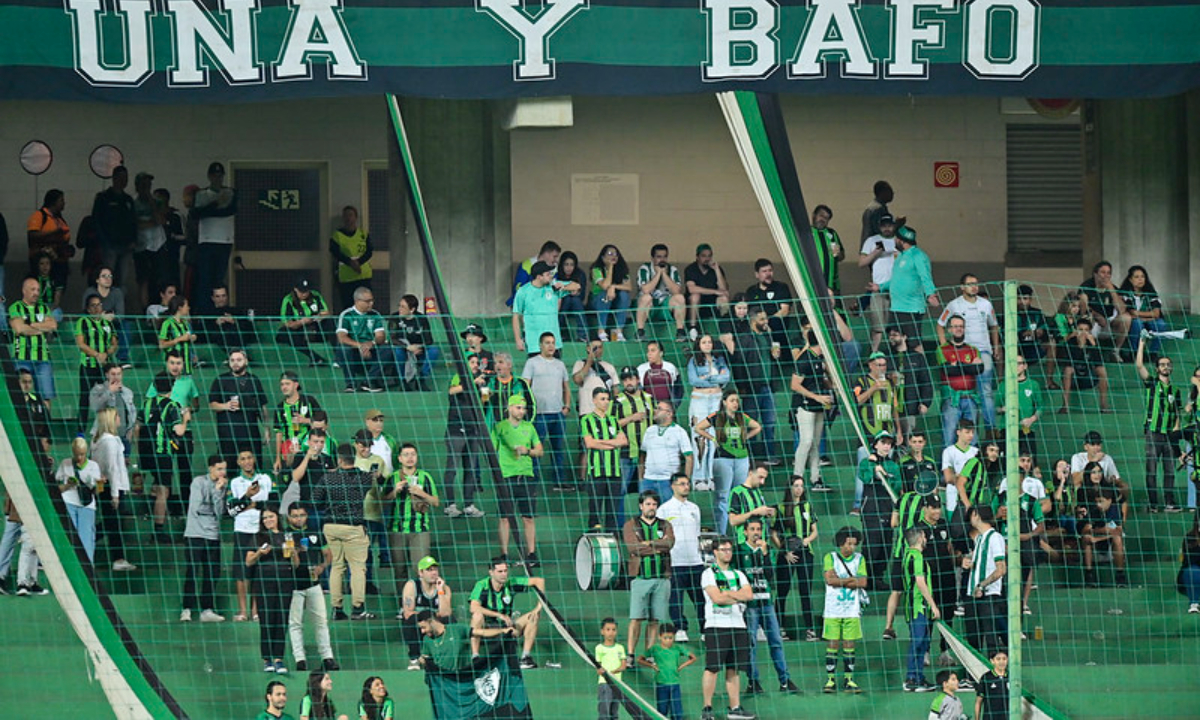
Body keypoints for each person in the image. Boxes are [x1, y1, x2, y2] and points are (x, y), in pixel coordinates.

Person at [313, 444, 380, 621]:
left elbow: (315, 499)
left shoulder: (328, 478)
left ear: (339, 459)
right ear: (354, 458)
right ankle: (358, 608)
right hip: (353, 527)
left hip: (331, 526)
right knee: (357, 568)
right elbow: (370, 483)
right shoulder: (364, 478)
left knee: (337, 566)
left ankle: (337, 608)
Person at [735, 517, 798, 696]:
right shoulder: (739, 551)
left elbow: (770, 576)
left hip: (767, 603)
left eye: (758, 529)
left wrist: (763, 555)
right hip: (750, 605)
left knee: (776, 642)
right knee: (751, 644)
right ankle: (753, 682)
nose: (756, 532)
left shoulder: (767, 550)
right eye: (752, 529)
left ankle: (785, 680)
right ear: (745, 532)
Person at [699, 536, 756, 720]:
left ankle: (735, 708)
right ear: (715, 552)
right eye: (723, 549)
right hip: (717, 625)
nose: (727, 553)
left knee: (734, 668)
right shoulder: (708, 573)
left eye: (729, 549)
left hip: (738, 625)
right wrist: (736, 595)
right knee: (712, 668)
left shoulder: (739, 574)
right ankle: (707, 709)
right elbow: (717, 598)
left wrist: (729, 594)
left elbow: (748, 595)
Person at [695, 390, 761, 534]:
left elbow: (757, 427)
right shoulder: (717, 416)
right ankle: (721, 532)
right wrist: (712, 439)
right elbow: (698, 427)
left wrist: (746, 437)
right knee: (723, 496)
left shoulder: (742, 417)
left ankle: (739, 532)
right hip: (723, 458)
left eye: (737, 401)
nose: (735, 403)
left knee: (739, 493)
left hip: (742, 458)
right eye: (732, 400)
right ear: (724, 402)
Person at [937, 274, 997, 431]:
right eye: (970, 284)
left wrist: (996, 347)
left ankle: (991, 429)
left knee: (986, 391)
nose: (974, 287)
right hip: (963, 351)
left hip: (983, 351)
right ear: (962, 287)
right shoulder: (954, 305)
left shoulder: (986, 304)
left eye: (976, 284)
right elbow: (940, 324)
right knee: (966, 392)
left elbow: (994, 326)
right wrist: (946, 347)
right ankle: (968, 429)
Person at [622, 490, 675, 661]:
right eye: (648, 504)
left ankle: (649, 655)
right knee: (636, 618)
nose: (651, 507)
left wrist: (650, 543)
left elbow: (670, 543)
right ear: (640, 506)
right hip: (640, 578)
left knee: (655, 620)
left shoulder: (665, 524)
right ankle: (630, 654)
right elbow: (633, 548)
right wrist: (658, 548)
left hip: (662, 578)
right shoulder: (631, 525)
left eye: (653, 504)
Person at [245, 505, 298, 674]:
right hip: (264, 581)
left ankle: (278, 658)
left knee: (281, 618)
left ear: (277, 518)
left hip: (284, 580)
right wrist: (260, 553)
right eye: (265, 518)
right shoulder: (258, 537)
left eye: (271, 517)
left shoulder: (287, 536)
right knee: (267, 618)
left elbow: (295, 564)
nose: (268, 520)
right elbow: (248, 561)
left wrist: (293, 552)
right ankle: (267, 658)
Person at [284, 504, 337, 672]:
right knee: (295, 624)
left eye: (301, 515)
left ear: (307, 516)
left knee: (321, 621)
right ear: (288, 517)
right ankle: (300, 659)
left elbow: (329, 554)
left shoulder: (316, 533)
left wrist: (322, 567)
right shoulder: (285, 534)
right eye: (294, 515)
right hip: (293, 586)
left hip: (314, 584)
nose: (298, 519)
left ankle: (327, 658)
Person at [491, 395, 543, 566]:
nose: (522, 411)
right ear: (510, 408)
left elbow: (540, 451)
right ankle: (504, 554)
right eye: (519, 408)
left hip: (526, 476)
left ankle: (532, 553)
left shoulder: (529, 427)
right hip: (506, 477)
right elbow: (491, 451)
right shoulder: (499, 428)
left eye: (524, 408)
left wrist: (527, 451)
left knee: (528, 517)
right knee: (505, 517)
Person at [725, 306, 781, 462]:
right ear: (752, 320)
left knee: (769, 423)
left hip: (768, 385)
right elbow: (738, 363)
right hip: (752, 387)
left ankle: (769, 455)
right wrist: (742, 386)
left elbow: (771, 359)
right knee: (750, 422)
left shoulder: (767, 336)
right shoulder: (744, 338)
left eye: (766, 318)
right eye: (762, 319)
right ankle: (748, 455)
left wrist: (776, 356)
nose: (766, 322)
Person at [468, 556, 544, 668]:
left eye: (505, 571)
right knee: (477, 616)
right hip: (488, 629)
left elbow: (539, 581)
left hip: (508, 626)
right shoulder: (482, 585)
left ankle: (525, 657)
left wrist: (538, 607)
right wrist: (499, 615)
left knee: (533, 617)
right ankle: (475, 656)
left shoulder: (511, 582)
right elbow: (473, 607)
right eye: (500, 571)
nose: (504, 574)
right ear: (491, 572)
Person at [1136, 336, 1183, 512]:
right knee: (1152, 470)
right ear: (1157, 369)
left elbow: (1178, 412)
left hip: (1170, 434)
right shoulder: (1152, 384)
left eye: (1168, 364)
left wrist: (1177, 430)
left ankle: (1170, 502)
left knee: (1170, 470)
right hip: (1153, 432)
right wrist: (1141, 343)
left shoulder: (1176, 390)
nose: (1165, 367)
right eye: (1162, 364)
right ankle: (1154, 504)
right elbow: (1140, 366)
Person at [142, 373, 190, 542]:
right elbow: (179, 431)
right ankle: (158, 530)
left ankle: (150, 510)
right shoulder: (172, 406)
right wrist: (185, 418)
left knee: (156, 484)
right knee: (164, 490)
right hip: (163, 453)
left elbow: (138, 426)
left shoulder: (147, 403)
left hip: (147, 451)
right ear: (173, 386)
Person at [384, 442, 439, 587]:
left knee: (420, 570)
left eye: (413, 454)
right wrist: (394, 491)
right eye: (406, 455)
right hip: (397, 529)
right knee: (399, 570)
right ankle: (403, 606)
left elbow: (436, 502)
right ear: (399, 459)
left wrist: (421, 493)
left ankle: (421, 603)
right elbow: (382, 501)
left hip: (419, 530)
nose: (410, 458)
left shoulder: (425, 477)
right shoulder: (393, 478)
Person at [181, 455, 229, 623]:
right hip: (194, 533)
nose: (222, 472)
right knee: (193, 571)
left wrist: (217, 491)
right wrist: (214, 493)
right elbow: (196, 507)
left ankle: (206, 610)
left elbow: (219, 511)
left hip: (212, 534)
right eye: (219, 469)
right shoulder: (198, 482)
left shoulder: (221, 486)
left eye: (224, 469)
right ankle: (186, 609)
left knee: (212, 573)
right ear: (210, 468)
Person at [771, 475, 819, 642]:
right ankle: (779, 628)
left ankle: (810, 629)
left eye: (801, 486)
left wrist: (806, 541)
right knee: (782, 591)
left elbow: (815, 531)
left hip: (806, 553)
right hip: (787, 554)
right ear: (790, 488)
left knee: (805, 591)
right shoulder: (781, 508)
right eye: (796, 485)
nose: (799, 489)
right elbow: (774, 533)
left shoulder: (807, 506)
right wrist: (784, 551)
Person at [523, 332, 572, 491]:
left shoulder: (560, 364)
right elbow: (525, 386)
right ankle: (533, 480)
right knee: (537, 448)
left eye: (553, 342)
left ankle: (559, 481)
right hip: (539, 414)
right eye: (547, 343)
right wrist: (528, 409)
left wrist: (567, 406)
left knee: (558, 448)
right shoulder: (532, 363)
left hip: (557, 413)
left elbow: (566, 387)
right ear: (540, 345)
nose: (551, 346)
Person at [229, 449, 274, 622]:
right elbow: (231, 510)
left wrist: (249, 504)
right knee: (241, 573)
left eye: (249, 458)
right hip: (241, 530)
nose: (247, 461)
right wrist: (248, 497)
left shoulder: (266, 479)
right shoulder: (234, 483)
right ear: (238, 462)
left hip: (260, 531)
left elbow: (272, 503)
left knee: (258, 572)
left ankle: (255, 611)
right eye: (243, 459)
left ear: (254, 460)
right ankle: (243, 611)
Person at [822, 526, 867, 694]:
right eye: (849, 543)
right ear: (841, 543)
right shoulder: (830, 557)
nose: (852, 547)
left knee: (850, 644)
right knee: (832, 644)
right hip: (833, 610)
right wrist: (851, 579)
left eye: (854, 544)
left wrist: (840, 579)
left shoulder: (859, 559)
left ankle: (849, 680)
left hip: (851, 610)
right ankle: (830, 680)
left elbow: (863, 582)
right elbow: (829, 580)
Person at [659, 474, 704, 643]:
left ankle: (704, 629)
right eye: (682, 484)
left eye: (688, 484)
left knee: (700, 598)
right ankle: (680, 628)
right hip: (675, 561)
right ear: (673, 486)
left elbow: (697, 533)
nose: (686, 487)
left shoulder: (694, 508)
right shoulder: (664, 509)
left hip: (695, 561)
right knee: (676, 599)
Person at [880, 225, 939, 353]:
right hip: (896, 307)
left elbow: (925, 276)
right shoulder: (900, 256)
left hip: (911, 308)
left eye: (896, 238)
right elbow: (896, 280)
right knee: (895, 341)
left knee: (914, 343)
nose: (895, 240)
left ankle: (922, 371)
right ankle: (900, 370)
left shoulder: (918, 256)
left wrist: (930, 294)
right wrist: (879, 287)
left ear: (901, 241)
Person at [443, 354, 488, 519]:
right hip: (456, 430)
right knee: (452, 469)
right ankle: (450, 505)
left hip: (472, 430)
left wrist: (484, 390)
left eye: (477, 362)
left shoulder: (479, 381)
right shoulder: (459, 377)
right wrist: (471, 383)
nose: (475, 365)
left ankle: (469, 505)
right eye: (472, 362)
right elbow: (452, 391)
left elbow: (484, 401)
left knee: (470, 469)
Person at [208, 348, 269, 466]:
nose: (235, 363)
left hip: (250, 434)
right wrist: (226, 406)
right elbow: (212, 405)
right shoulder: (220, 380)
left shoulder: (254, 380)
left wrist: (266, 429)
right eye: (232, 360)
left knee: (253, 470)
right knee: (228, 469)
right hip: (228, 435)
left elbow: (262, 406)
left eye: (239, 360)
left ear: (246, 361)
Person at [192, 162, 238, 315]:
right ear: (209, 176)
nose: (217, 178)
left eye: (220, 175)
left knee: (219, 280)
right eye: (214, 175)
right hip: (206, 240)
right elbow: (196, 214)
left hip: (224, 240)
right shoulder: (201, 194)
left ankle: (220, 311)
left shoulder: (230, 192)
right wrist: (216, 205)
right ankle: (205, 313)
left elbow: (230, 210)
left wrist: (210, 208)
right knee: (204, 280)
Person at [91, 409, 134, 572]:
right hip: (111, 486)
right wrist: (116, 493)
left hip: (104, 485)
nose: (119, 418)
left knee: (112, 522)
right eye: (116, 416)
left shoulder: (97, 440)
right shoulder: (110, 441)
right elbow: (112, 469)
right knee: (113, 523)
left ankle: (117, 556)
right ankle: (117, 558)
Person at [583, 387, 630, 532]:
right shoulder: (587, 419)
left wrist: (601, 443)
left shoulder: (613, 420)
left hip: (615, 473)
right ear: (594, 400)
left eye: (607, 399)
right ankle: (595, 538)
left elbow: (623, 441)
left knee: (612, 510)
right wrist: (612, 443)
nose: (606, 402)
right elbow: (590, 443)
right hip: (596, 472)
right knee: (595, 508)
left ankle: (613, 538)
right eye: (602, 399)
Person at [686, 334, 730, 490]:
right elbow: (694, 380)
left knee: (713, 437)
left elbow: (727, 377)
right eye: (703, 342)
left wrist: (709, 377)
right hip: (700, 399)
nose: (707, 345)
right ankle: (698, 478)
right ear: (698, 344)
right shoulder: (693, 361)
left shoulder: (719, 359)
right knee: (699, 438)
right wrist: (715, 378)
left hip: (716, 399)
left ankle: (709, 476)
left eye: (709, 342)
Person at [900, 526, 940, 692]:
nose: (926, 538)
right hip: (918, 605)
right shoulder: (917, 557)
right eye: (924, 535)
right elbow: (920, 582)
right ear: (919, 538)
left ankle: (918, 677)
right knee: (918, 641)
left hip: (912, 604)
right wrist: (933, 605)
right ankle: (912, 678)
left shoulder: (907, 555)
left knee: (922, 641)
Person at [790, 330, 833, 487]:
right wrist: (816, 397)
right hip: (805, 406)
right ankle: (797, 476)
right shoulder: (804, 359)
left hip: (819, 406)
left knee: (815, 442)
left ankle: (816, 479)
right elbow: (794, 385)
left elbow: (822, 379)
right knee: (806, 441)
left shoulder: (820, 359)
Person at [9, 276, 58, 411]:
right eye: (32, 289)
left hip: (43, 360)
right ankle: (26, 426)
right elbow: (19, 328)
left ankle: (45, 428)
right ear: (24, 291)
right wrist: (41, 328)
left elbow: (53, 325)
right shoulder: (16, 307)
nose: (36, 293)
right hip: (22, 358)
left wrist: (31, 325)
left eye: (38, 290)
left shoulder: (43, 308)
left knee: (46, 397)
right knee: (22, 395)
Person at [936, 314, 984, 446]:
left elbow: (979, 369)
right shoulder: (942, 349)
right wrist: (969, 366)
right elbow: (947, 370)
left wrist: (957, 365)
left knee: (971, 437)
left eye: (961, 326)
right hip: (952, 398)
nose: (959, 329)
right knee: (949, 434)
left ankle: (971, 466)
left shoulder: (973, 350)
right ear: (949, 329)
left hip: (970, 397)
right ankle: (948, 466)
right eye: (955, 326)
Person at [513, 260, 579, 355]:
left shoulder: (553, 287)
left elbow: (576, 286)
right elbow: (516, 315)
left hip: (554, 343)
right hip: (534, 343)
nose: (551, 276)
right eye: (548, 274)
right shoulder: (523, 291)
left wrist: (564, 287)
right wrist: (518, 339)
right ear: (539, 277)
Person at [964, 505, 1006, 654]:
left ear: (976, 515)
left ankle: (994, 674)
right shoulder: (980, 539)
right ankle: (974, 675)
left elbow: (1001, 568)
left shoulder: (995, 538)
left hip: (988, 595)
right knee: (973, 638)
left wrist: (982, 585)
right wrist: (966, 562)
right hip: (974, 594)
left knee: (990, 637)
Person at [401, 556, 453, 669]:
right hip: (420, 620)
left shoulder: (444, 587)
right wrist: (428, 618)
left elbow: (445, 613)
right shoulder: (412, 585)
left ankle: (447, 657)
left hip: (435, 622)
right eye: (429, 570)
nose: (434, 573)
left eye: (435, 569)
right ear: (421, 573)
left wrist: (440, 590)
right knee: (410, 621)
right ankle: (414, 659)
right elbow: (408, 612)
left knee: (451, 621)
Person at [76, 293, 118, 430]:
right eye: (93, 306)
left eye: (99, 305)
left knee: (106, 396)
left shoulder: (107, 323)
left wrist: (106, 354)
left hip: (104, 367)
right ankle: (80, 431)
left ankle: (105, 427)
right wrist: (96, 354)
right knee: (84, 398)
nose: (96, 308)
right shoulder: (82, 322)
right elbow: (81, 344)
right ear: (88, 309)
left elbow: (114, 343)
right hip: (88, 365)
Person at [613, 366, 655, 504]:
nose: (628, 382)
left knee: (646, 493)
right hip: (625, 453)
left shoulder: (648, 398)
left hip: (646, 453)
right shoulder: (617, 401)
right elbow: (610, 425)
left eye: (631, 378)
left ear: (637, 379)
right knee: (620, 491)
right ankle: (617, 523)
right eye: (625, 380)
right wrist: (631, 418)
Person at [55, 437, 101, 562]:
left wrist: (92, 482)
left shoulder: (93, 466)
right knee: (69, 538)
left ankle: (88, 568)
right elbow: (56, 485)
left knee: (87, 539)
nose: (79, 457)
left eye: (82, 454)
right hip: (69, 502)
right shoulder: (65, 463)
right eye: (76, 454)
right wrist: (68, 484)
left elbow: (98, 490)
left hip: (87, 505)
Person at [638, 623, 696, 720]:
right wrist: (652, 666)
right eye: (665, 638)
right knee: (662, 711)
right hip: (661, 684)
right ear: (660, 636)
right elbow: (640, 659)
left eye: (671, 638)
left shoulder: (677, 648)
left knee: (677, 713)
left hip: (675, 684)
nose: (668, 641)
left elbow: (693, 657)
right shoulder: (655, 648)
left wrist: (681, 666)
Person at [859, 214, 899, 352]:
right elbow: (861, 262)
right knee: (877, 327)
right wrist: (875, 253)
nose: (887, 228)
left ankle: (896, 355)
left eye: (889, 225)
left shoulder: (899, 241)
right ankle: (873, 354)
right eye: (884, 225)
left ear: (894, 226)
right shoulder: (871, 240)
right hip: (877, 289)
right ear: (879, 226)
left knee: (895, 327)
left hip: (896, 290)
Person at [91, 166, 136, 288]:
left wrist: (133, 240)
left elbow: (134, 222)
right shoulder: (103, 198)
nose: (123, 181)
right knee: (107, 278)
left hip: (126, 245)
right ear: (114, 178)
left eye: (126, 178)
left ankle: (120, 305)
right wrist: (104, 242)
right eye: (121, 177)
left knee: (123, 280)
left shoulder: (128, 200)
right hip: (109, 245)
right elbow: (97, 221)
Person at [335, 286, 386, 393]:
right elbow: (341, 337)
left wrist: (371, 343)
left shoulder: (375, 314)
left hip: (371, 350)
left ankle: (368, 382)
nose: (371, 303)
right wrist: (360, 346)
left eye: (372, 300)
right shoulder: (347, 314)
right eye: (368, 301)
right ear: (357, 301)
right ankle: (350, 384)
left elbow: (380, 336)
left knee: (388, 349)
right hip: (354, 351)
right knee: (344, 348)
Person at [639, 401, 693, 501]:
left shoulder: (679, 431)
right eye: (655, 408)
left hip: (668, 480)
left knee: (669, 514)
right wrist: (641, 478)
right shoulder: (650, 430)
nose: (655, 411)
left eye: (659, 409)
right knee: (646, 514)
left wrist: (685, 481)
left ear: (669, 413)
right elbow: (642, 454)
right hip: (648, 480)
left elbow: (689, 457)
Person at [81, 265, 132, 369]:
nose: (108, 279)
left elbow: (120, 315)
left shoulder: (117, 292)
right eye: (104, 276)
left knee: (125, 325)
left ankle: (122, 359)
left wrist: (111, 317)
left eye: (110, 276)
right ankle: (93, 357)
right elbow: (86, 312)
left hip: (112, 322)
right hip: (94, 323)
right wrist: (101, 317)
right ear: (97, 280)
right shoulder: (90, 292)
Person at [386, 294, 440, 389]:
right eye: (399, 306)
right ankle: (403, 381)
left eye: (403, 307)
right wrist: (408, 347)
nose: (400, 309)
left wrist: (418, 347)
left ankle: (421, 378)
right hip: (403, 349)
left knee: (434, 350)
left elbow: (429, 340)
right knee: (397, 351)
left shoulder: (421, 319)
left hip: (418, 349)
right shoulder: (394, 317)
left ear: (412, 310)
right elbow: (392, 338)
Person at [1058, 316, 1112, 414]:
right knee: (1068, 370)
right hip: (1075, 378)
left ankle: (1104, 405)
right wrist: (1080, 347)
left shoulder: (1094, 342)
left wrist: (1093, 346)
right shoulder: (1070, 342)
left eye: (1086, 330)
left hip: (1089, 377)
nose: (1083, 333)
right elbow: (1068, 362)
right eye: (1080, 330)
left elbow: (1098, 362)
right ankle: (1065, 405)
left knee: (1102, 370)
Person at [1079, 260, 1130, 362]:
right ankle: (1089, 352)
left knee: (1126, 318)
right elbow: (1083, 308)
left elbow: (1122, 309)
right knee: (1087, 319)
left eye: (1108, 273)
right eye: (1103, 272)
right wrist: (1096, 315)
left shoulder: (1113, 288)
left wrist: (1112, 290)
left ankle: (1115, 351)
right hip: (1093, 321)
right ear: (1095, 274)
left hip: (1110, 322)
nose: (1105, 276)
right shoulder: (1086, 286)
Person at [272, 371, 323, 473]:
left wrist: (305, 420)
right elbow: (279, 433)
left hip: (309, 449)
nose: (284, 387)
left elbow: (322, 423)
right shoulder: (279, 408)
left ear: (296, 385)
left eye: (287, 384)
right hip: (289, 452)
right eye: (282, 384)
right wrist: (278, 458)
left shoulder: (309, 401)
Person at [635, 243, 687, 342]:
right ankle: (640, 331)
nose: (662, 260)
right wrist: (658, 274)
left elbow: (676, 290)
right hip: (649, 307)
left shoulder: (672, 270)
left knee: (680, 298)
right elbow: (646, 290)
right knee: (646, 297)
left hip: (665, 305)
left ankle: (680, 331)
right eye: (659, 257)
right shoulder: (644, 269)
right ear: (652, 258)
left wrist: (664, 274)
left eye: (665, 257)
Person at [132, 171, 170, 308]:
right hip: (141, 246)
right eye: (143, 185)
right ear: (137, 186)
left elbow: (161, 219)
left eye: (149, 185)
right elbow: (134, 224)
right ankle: (145, 311)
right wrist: (152, 222)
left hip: (158, 244)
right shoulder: (133, 203)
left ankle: (160, 309)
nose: (146, 188)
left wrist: (151, 201)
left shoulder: (157, 201)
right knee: (143, 281)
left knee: (160, 280)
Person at [278, 277, 334, 366]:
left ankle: (339, 357)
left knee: (330, 322)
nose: (304, 294)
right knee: (284, 333)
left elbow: (326, 312)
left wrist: (315, 317)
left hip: (315, 329)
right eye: (301, 291)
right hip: (298, 330)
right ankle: (315, 357)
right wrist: (301, 322)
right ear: (295, 289)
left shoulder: (315, 295)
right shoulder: (288, 299)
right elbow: (286, 322)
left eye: (306, 291)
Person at [997, 354, 1042, 461]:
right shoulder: (1003, 385)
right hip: (1007, 429)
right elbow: (995, 408)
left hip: (1026, 429)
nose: (1016, 366)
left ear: (1025, 366)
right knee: (1005, 462)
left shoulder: (1033, 384)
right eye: (1013, 364)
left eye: (1019, 364)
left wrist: (1031, 419)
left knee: (1029, 462)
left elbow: (1040, 408)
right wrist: (1002, 409)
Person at [27, 189, 73, 294]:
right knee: (43, 290)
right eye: (61, 200)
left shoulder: (59, 219)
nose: (64, 203)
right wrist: (54, 233)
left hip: (59, 261)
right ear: (53, 202)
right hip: (43, 260)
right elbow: (32, 235)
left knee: (58, 288)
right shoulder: (39, 216)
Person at [1119, 265, 1173, 355]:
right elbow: (1130, 313)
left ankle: (1153, 353)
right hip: (1133, 322)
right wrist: (1146, 315)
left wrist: (1139, 315)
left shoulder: (1151, 293)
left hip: (1149, 320)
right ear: (1130, 279)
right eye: (1136, 277)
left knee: (1160, 324)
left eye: (1142, 277)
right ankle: (1135, 352)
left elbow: (1156, 314)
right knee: (1137, 323)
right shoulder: (1125, 293)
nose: (1140, 279)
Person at [1080, 489, 1128, 588]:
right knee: (1086, 538)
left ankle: (1120, 576)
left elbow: (1118, 531)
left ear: (1109, 500)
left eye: (1101, 501)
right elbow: (1085, 530)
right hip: (1096, 547)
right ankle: (1089, 575)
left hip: (1111, 547)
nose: (1098, 504)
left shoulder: (1116, 511)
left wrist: (1097, 536)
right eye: (1097, 501)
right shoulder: (1094, 511)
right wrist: (1102, 530)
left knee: (1117, 539)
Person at [743, 258, 793, 352]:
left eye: (770, 270)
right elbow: (750, 312)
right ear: (757, 274)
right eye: (764, 271)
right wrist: (761, 322)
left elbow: (785, 310)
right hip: (757, 324)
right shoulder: (751, 291)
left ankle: (779, 358)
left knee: (776, 323)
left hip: (776, 324)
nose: (768, 274)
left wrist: (767, 321)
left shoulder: (781, 287)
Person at [329, 205, 373, 310]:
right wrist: (350, 263)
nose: (348, 218)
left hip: (363, 276)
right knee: (348, 306)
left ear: (355, 217)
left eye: (350, 215)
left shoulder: (363, 234)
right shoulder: (337, 235)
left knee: (366, 305)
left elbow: (369, 251)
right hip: (346, 278)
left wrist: (359, 262)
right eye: (345, 216)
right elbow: (335, 252)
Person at [88, 363, 138, 452]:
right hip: (103, 436)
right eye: (113, 374)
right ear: (107, 375)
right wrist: (109, 392)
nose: (116, 377)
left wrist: (131, 429)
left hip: (123, 437)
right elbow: (95, 407)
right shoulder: (98, 390)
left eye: (119, 374)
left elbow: (132, 412)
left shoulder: (127, 392)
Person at [683, 243, 729, 337]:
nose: (707, 259)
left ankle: (725, 327)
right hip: (695, 305)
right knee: (695, 296)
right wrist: (714, 291)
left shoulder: (716, 269)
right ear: (697, 257)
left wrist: (717, 270)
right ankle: (693, 328)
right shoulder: (691, 269)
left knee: (724, 298)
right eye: (703, 256)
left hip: (712, 303)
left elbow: (724, 289)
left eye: (709, 256)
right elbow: (691, 289)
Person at [590, 244, 634, 342]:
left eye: (615, 254)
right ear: (602, 257)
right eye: (610, 254)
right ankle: (601, 331)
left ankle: (619, 332)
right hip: (598, 300)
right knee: (604, 294)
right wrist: (610, 267)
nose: (613, 256)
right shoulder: (596, 269)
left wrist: (614, 287)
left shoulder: (622, 269)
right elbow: (605, 285)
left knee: (624, 295)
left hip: (615, 300)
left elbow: (629, 287)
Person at [200, 284, 256, 354]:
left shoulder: (236, 311)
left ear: (227, 296)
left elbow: (249, 329)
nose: (221, 299)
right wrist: (216, 324)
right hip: (218, 337)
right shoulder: (207, 313)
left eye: (223, 296)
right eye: (218, 296)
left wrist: (234, 321)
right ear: (212, 298)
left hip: (236, 336)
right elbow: (203, 333)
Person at [482, 352, 535, 426]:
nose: (497, 365)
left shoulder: (521, 383)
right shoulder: (488, 382)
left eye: (500, 362)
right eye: (495, 363)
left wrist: (527, 424)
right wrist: (486, 396)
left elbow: (530, 404)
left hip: (516, 429)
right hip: (495, 429)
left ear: (509, 365)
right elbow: (482, 403)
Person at [728, 462, 774, 546]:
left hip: (762, 544)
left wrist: (767, 513)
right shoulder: (737, 492)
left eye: (764, 478)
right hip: (744, 546)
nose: (762, 482)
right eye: (760, 477)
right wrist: (753, 513)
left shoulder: (758, 492)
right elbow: (732, 521)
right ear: (750, 473)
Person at [506, 240, 562, 308]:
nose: (556, 260)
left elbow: (556, 288)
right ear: (546, 254)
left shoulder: (554, 268)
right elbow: (518, 287)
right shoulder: (526, 265)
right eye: (554, 256)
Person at [595, 617, 629, 720]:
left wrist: (612, 673)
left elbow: (623, 666)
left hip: (617, 683)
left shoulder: (620, 648)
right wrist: (605, 674)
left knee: (614, 712)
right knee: (604, 712)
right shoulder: (599, 648)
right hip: (605, 683)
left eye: (613, 630)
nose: (611, 632)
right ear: (602, 631)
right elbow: (598, 669)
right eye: (608, 629)